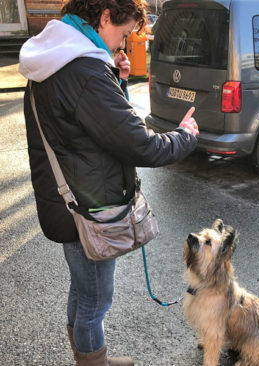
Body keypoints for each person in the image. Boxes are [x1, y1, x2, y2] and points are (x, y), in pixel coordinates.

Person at [18, 0, 198, 365]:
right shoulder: (84, 72)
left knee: (84, 291)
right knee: (95, 302)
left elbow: (80, 125)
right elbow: (140, 144)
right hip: (91, 208)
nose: (122, 44)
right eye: (123, 33)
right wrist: (185, 135)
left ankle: (85, 355)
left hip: (65, 200)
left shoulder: (53, 58)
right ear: (103, 18)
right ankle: (92, 361)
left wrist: (114, 79)